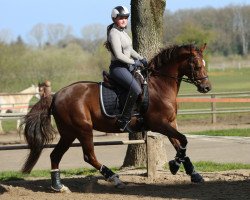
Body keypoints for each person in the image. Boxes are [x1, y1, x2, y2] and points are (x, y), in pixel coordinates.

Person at [105, 5, 147, 133]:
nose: (124, 20)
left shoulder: (123, 32)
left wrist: (140, 57)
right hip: (118, 68)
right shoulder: (114, 33)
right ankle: (124, 119)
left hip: (127, 66)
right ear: (114, 19)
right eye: (121, 18)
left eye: (126, 18)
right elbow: (118, 55)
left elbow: (129, 49)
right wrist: (134, 62)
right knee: (136, 88)